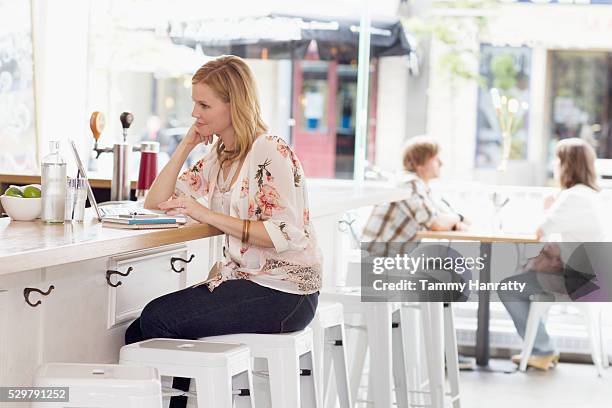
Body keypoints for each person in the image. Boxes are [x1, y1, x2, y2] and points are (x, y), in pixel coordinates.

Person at [124, 55, 322, 407]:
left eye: (204, 104)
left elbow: (282, 233)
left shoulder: (269, 150)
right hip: (251, 283)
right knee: (137, 334)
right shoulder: (221, 156)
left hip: (287, 291)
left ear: (235, 104)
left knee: (157, 319)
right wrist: (186, 144)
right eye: (194, 103)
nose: (194, 113)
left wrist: (205, 214)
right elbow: (155, 201)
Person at [499, 137, 606, 371]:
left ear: (566, 164)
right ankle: (540, 349)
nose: (555, 166)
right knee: (527, 280)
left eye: (557, 160)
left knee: (509, 287)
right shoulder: (590, 195)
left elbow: (540, 231)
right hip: (596, 279)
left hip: (577, 281)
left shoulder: (573, 197)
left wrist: (548, 204)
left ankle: (542, 349)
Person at [362, 135, 468, 254]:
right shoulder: (409, 183)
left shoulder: (420, 187)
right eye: (436, 159)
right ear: (420, 163)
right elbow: (437, 223)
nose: (441, 163)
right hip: (378, 260)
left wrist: (454, 223)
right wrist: (459, 217)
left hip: (388, 259)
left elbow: (443, 218)